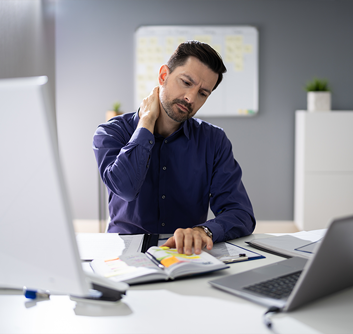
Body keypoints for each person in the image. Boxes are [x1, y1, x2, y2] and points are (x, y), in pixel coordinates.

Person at [93, 40, 255, 255]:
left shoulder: (214, 140)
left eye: (203, 93)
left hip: (185, 254)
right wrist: (146, 124)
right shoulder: (111, 133)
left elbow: (240, 213)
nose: (190, 98)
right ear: (163, 76)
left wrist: (204, 230)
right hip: (125, 253)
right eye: (186, 82)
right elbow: (125, 189)